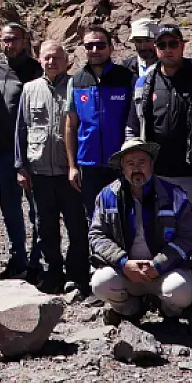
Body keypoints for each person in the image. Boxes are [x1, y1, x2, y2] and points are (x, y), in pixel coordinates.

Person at [129, 24, 192, 305]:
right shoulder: (145, 83)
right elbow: (134, 125)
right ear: (155, 48)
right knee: (160, 232)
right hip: (157, 175)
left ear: (182, 45)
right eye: (162, 44)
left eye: (173, 43)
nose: (168, 49)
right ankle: (165, 290)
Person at [88, 138, 192, 325]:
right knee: (100, 284)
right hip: (125, 270)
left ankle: (167, 310)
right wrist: (123, 262)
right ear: (122, 169)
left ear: (151, 165)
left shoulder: (174, 194)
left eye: (142, 162)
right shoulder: (107, 196)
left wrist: (159, 264)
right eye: (130, 164)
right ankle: (131, 310)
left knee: (181, 291)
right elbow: (97, 235)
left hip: (163, 270)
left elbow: (189, 237)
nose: (136, 168)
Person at [15, 40, 83, 294]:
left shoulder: (77, 86)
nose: (51, 62)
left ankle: (76, 275)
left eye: (56, 57)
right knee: (45, 226)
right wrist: (20, 166)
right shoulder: (30, 89)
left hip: (69, 171)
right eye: (46, 58)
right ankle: (53, 272)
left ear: (66, 61)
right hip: (40, 170)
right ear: (39, 59)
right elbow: (21, 128)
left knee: (76, 225)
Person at [68, 26, 136, 238]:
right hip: (88, 164)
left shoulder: (126, 78)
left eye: (100, 45)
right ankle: (98, 266)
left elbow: (135, 120)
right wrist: (72, 166)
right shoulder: (76, 81)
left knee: (124, 215)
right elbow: (70, 125)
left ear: (111, 48)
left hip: (120, 162)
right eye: (89, 45)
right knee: (94, 217)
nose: (95, 49)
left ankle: (125, 266)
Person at [0, 22, 43, 279]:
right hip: (2, 151)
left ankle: (37, 261)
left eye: (15, 39)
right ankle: (17, 259)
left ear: (24, 40)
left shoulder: (35, 70)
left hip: (31, 151)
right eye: (6, 40)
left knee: (37, 209)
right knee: (10, 209)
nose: (10, 44)